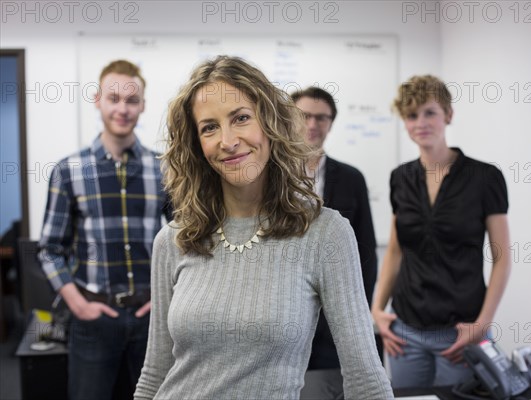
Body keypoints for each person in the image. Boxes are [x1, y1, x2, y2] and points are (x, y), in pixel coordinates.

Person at [134, 56, 393, 400]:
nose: (227, 140)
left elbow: (366, 379)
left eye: (241, 118)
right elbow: (155, 373)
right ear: (197, 145)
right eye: (209, 127)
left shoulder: (324, 233)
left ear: (270, 123)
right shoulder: (175, 239)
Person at [38, 59, 172, 400]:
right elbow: (51, 249)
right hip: (93, 318)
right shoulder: (69, 170)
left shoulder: (164, 169)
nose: (122, 108)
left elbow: (186, 242)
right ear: (98, 99)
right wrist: (77, 304)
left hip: (151, 320)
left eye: (131, 100)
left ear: (142, 105)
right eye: (114, 98)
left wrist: (165, 298)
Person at [371, 75, 511, 388]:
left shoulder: (485, 177)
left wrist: (482, 324)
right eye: (411, 115)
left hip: (460, 332)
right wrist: (377, 310)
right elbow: (395, 251)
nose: (420, 122)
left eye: (429, 112)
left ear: (448, 114)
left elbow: (502, 257)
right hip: (404, 331)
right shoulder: (400, 177)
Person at [291, 87, 378, 399]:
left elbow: (366, 251)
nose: (313, 124)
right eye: (305, 116)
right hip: (286, 313)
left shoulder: (351, 178)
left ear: (330, 123)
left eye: (321, 117)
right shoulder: (271, 178)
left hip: (334, 319)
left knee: (328, 391)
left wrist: (360, 313)